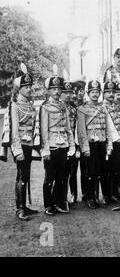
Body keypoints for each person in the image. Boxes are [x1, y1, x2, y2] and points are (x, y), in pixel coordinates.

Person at [40, 75, 75, 215]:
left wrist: (71, 145)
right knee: (49, 177)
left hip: (63, 145)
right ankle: (48, 205)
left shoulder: (63, 107)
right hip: (52, 145)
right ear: (48, 91)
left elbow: (68, 129)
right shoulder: (45, 107)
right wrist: (45, 150)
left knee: (61, 176)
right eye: (53, 89)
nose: (57, 92)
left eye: (58, 89)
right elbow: (43, 130)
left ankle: (58, 202)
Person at [77, 80, 113, 209]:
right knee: (90, 172)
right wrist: (84, 147)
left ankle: (97, 196)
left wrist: (109, 144)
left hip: (101, 143)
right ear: (88, 93)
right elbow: (81, 131)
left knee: (100, 171)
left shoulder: (102, 108)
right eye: (92, 92)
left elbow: (107, 128)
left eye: (97, 92)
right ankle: (90, 197)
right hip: (90, 144)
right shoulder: (82, 109)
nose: (95, 94)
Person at [9, 72, 39, 220]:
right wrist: (17, 149)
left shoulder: (30, 106)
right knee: (21, 175)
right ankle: (19, 209)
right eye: (25, 86)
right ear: (18, 89)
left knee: (26, 175)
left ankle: (24, 206)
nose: (28, 89)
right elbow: (14, 129)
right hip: (20, 144)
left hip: (29, 144)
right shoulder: (14, 105)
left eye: (29, 86)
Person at [102, 81, 120, 204]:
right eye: (109, 92)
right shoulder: (102, 107)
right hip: (107, 142)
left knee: (116, 168)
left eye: (113, 92)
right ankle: (106, 195)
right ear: (104, 93)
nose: (111, 94)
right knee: (106, 170)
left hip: (118, 141)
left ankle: (115, 193)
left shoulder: (119, 106)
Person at [60, 80, 78, 205]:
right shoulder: (57, 107)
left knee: (73, 171)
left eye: (69, 92)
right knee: (61, 172)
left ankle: (73, 194)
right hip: (60, 143)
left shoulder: (74, 109)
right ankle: (61, 197)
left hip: (72, 143)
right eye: (65, 92)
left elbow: (76, 128)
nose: (67, 95)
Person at [70, 78, 87, 202]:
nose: (81, 93)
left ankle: (86, 194)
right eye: (78, 90)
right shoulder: (70, 106)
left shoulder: (86, 106)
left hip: (85, 141)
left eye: (83, 90)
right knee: (72, 171)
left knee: (85, 170)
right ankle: (73, 194)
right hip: (72, 142)